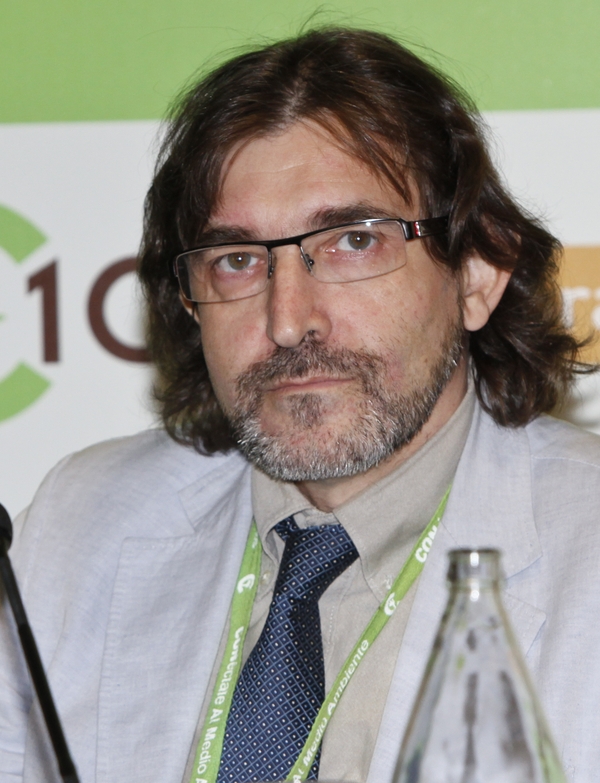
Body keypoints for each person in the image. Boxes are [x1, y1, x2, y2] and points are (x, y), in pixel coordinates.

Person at [1, 25, 599, 783]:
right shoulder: (75, 531)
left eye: (354, 241)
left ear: (477, 271)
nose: (288, 319)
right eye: (236, 260)